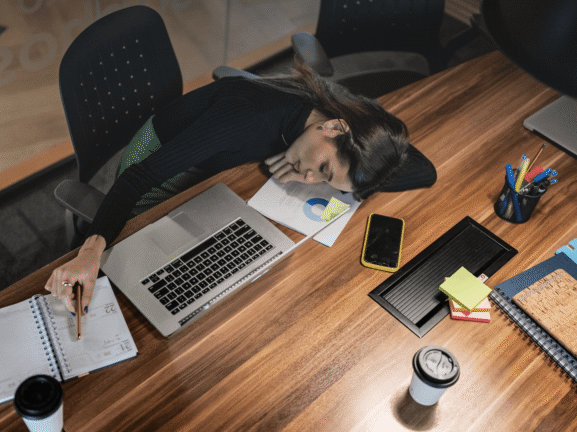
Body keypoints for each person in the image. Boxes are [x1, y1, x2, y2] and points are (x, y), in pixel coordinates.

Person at [45, 59, 437, 314]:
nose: (310, 179)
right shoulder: (248, 117)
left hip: (213, 161)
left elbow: (422, 171)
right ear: (334, 129)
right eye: (321, 168)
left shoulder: (334, 114)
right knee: (157, 268)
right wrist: (90, 251)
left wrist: (340, 169)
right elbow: (138, 179)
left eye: (326, 181)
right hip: (158, 165)